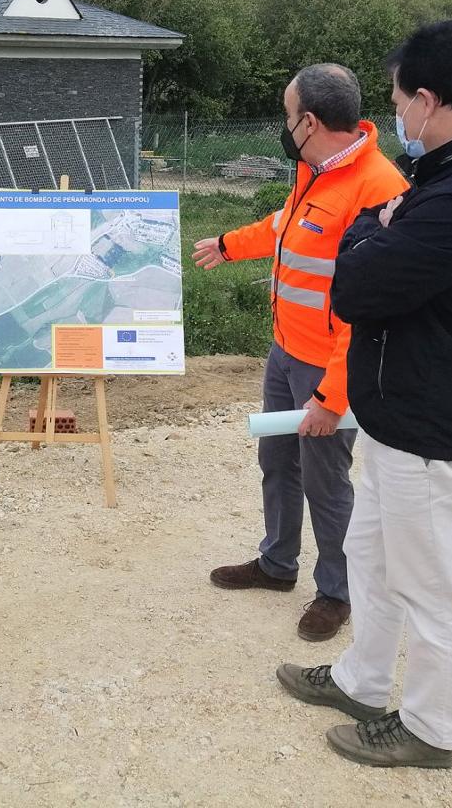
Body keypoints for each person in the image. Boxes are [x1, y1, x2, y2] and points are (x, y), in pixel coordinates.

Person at [277, 19, 452, 768]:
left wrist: (370, 236)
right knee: (376, 558)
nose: (395, 115)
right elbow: (372, 237)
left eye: (396, 99)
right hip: (399, 414)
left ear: (425, 99)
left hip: (435, 423)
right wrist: (378, 227)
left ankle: (432, 729)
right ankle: (361, 679)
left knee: (437, 588)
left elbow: (354, 286)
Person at [192, 64, 408, 641]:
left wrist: (331, 397)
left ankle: (338, 592)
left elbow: (371, 312)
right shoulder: (311, 170)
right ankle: (276, 564)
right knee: (277, 463)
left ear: (309, 121)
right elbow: (285, 229)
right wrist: (227, 245)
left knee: (327, 481)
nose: (285, 127)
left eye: (289, 116)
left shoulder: (379, 190)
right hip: (285, 349)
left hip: (328, 369)